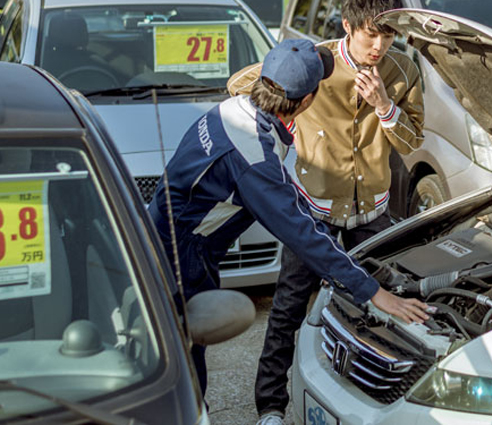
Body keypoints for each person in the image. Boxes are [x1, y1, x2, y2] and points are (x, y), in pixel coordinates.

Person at [148, 38, 429, 399]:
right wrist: (374, 293)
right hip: (182, 256)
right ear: (307, 101)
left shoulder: (232, 109)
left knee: (176, 352)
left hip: (166, 235)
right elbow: (301, 234)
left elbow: (276, 191)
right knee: (182, 362)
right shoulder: (252, 155)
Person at [227, 0, 425, 425]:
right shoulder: (315, 60)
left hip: (372, 215)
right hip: (312, 213)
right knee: (287, 309)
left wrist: (384, 104)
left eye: (388, 36)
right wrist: (286, 119)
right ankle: (271, 408)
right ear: (347, 27)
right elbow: (241, 85)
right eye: (370, 34)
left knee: (379, 310)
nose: (379, 46)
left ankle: (364, 401)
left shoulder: (403, 71)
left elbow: (412, 141)